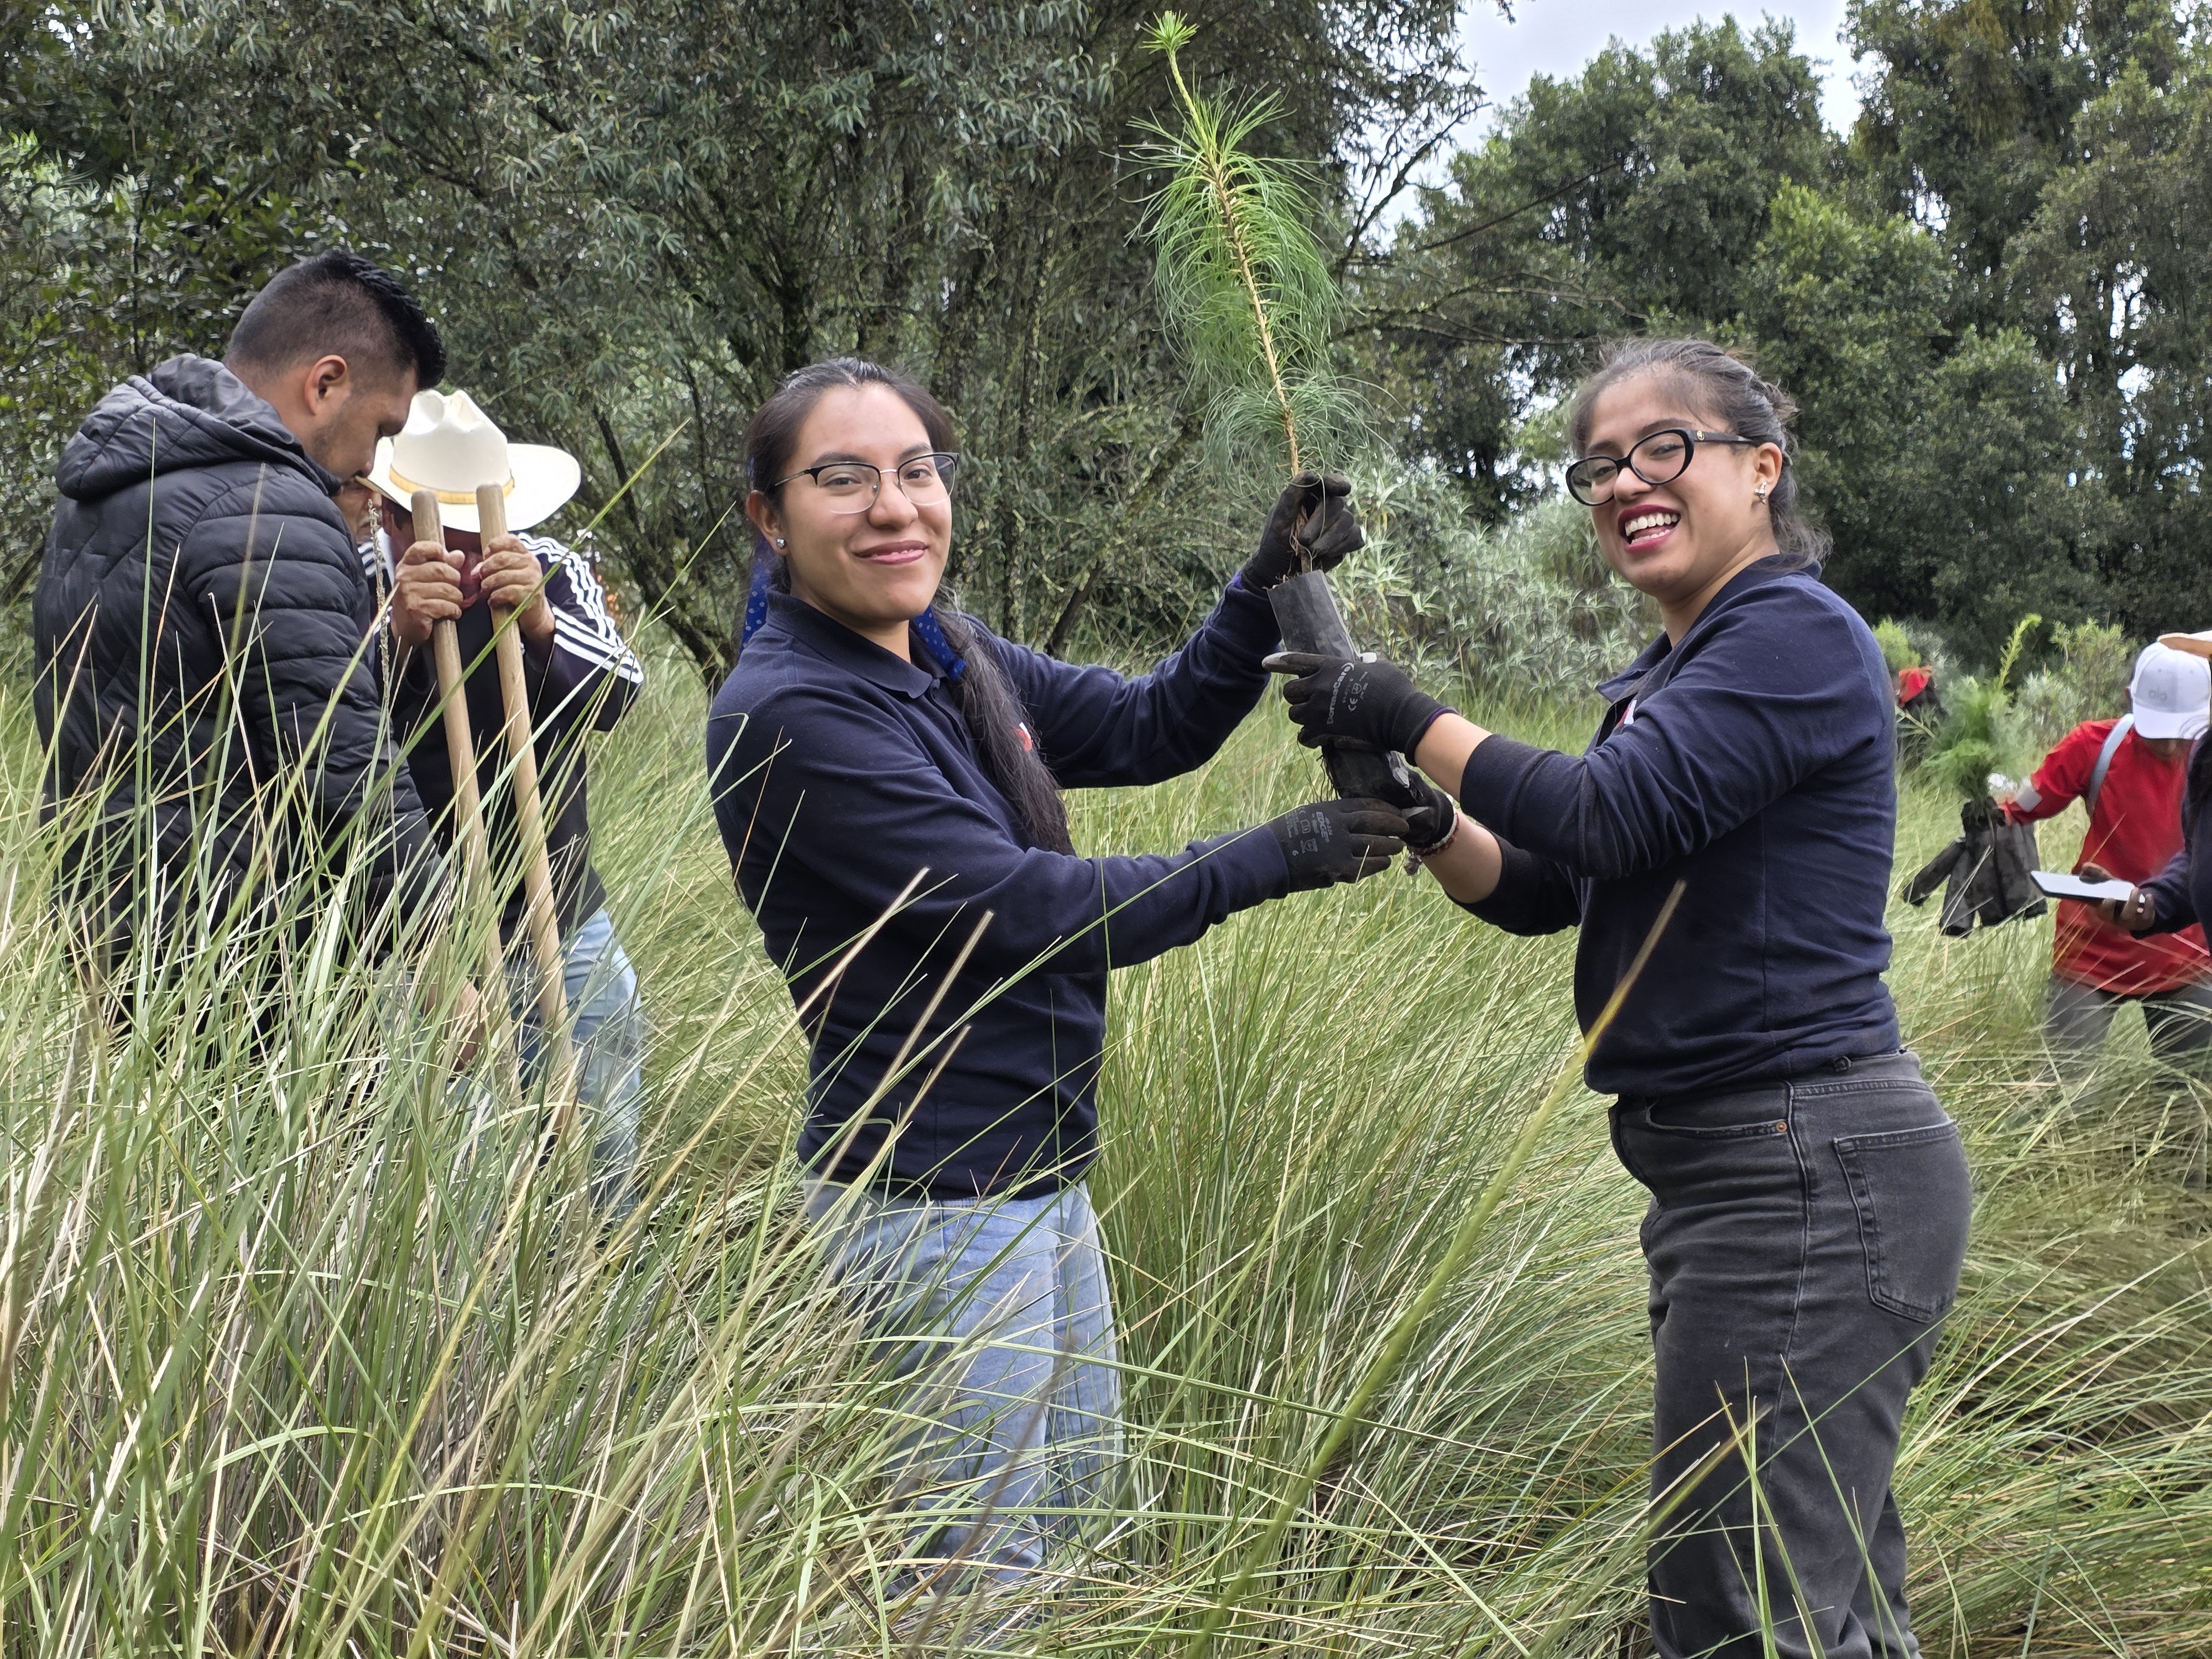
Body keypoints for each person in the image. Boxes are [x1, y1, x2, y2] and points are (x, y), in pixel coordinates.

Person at [1270, 338, 1971, 1659]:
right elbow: (1551, 884)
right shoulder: (1677, 674)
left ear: (1759, 467)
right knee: (1812, 1595)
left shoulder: (1792, 635)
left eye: (1664, 447)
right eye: (1598, 465)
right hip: (1750, 1173)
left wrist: (1402, 707)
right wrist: (1429, 817)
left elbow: (1606, 815)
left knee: (1742, 1610)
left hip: (1799, 1171)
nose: (1623, 482)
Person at [705, 357, 1415, 1593]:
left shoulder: (947, 653)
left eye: (917, 471)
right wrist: (1274, 854)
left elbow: (1149, 726)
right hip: (931, 1204)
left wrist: (1263, 589)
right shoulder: (792, 713)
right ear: (771, 516)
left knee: (1075, 1544)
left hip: (1036, 1177)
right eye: (843, 480)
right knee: (976, 1581)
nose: (893, 506)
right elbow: (1027, 910)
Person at [34, 251, 452, 1013]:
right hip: (243, 969)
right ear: (325, 384)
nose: (373, 461)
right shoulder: (270, 505)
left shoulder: (109, 489)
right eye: (382, 428)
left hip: (107, 936)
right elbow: (343, 764)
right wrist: (438, 955)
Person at [365, 389, 648, 1204]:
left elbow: (620, 691)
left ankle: (602, 1276)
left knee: (599, 1149)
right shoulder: (355, 577)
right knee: (458, 1183)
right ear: (393, 517)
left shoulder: (549, 563)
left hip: (563, 913)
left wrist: (540, 623)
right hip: (419, 946)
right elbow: (325, 731)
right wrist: (398, 637)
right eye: (441, 528)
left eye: (477, 527)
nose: (466, 555)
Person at [2000, 643, 2211, 1068]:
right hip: (2093, 947)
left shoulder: (2206, 759)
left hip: (2186, 953)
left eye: (2182, 731)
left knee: (2188, 1094)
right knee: (2063, 1088)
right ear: (2130, 700)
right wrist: (1993, 815)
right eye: (2159, 731)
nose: (2172, 746)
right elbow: (2030, 800)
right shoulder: (2093, 747)